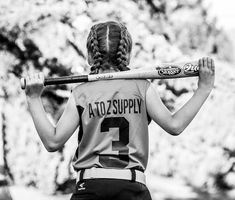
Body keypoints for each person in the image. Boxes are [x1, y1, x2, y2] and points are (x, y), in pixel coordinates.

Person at [24, 21, 215, 200]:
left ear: (90, 56)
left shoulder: (80, 93)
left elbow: (52, 141)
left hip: (89, 188)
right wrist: (203, 88)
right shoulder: (143, 88)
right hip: (132, 188)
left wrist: (33, 98)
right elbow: (175, 125)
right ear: (127, 54)